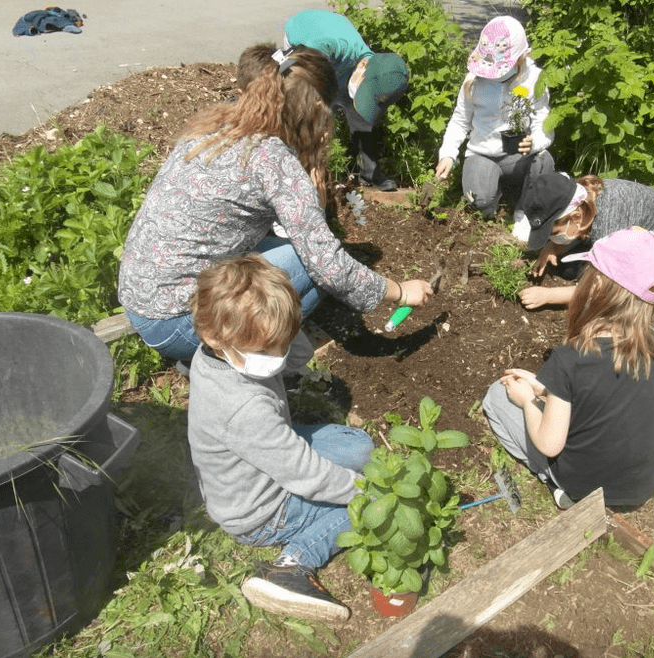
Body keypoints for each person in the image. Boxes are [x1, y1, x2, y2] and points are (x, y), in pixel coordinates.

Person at [118, 44, 433, 362]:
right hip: (176, 323)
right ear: (315, 112)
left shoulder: (221, 123)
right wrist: (400, 290)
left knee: (297, 253)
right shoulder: (272, 160)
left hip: (141, 297)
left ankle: (220, 346)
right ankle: (243, 355)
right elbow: (328, 265)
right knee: (312, 267)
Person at [187, 254, 374, 622]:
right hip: (260, 512)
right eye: (265, 349)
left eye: (281, 343)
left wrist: (284, 328)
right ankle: (292, 566)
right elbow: (307, 476)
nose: (277, 358)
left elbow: (298, 358)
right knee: (368, 505)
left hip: (256, 460)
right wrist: (365, 491)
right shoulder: (242, 407)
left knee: (358, 446)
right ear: (213, 336)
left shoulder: (217, 351)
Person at [482, 227, 654, 510]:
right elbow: (605, 391)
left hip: (589, 485)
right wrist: (546, 389)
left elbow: (549, 444)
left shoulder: (570, 360)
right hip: (649, 477)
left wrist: (528, 400)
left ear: (598, 286)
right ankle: (647, 435)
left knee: (495, 396)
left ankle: (556, 484)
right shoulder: (653, 344)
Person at [515, 172, 654, 309]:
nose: (552, 236)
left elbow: (605, 286)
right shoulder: (585, 200)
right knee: (567, 266)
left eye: (553, 231)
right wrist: (552, 246)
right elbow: (570, 231)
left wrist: (549, 296)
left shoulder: (608, 222)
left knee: (620, 293)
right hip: (632, 234)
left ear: (576, 217)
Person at [435, 15, 554, 220]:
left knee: (544, 160)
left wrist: (534, 142)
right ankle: (492, 193)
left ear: (519, 58)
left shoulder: (534, 79)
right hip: (482, 153)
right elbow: (460, 120)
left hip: (518, 156)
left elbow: (543, 122)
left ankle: (524, 211)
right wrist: (447, 154)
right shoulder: (473, 80)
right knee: (479, 202)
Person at [284, 8, 409, 191]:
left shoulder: (376, 68)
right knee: (312, 111)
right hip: (302, 30)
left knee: (361, 117)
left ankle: (370, 172)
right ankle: (299, 169)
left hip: (339, 53)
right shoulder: (328, 45)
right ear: (363, 67)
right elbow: (291, 66)